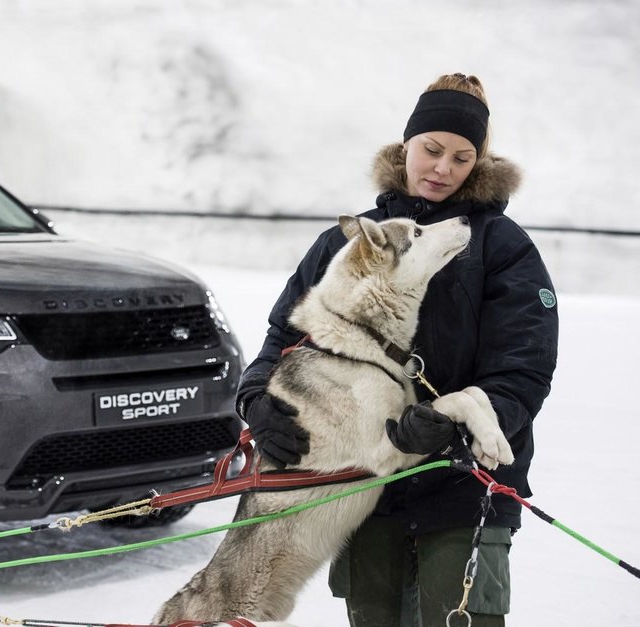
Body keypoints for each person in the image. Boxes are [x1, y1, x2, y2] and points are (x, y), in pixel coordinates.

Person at [236, 73, 559, 626]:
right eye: (431, 151)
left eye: (461, 158)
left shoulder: (501, 247)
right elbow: (284, 338)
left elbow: (523, 368)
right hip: (363, 488)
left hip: (464, 488)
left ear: (478, 163)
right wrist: (257, 400)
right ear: (405, 145)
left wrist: (455, 426)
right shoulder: (348, 244)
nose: (442, 169)